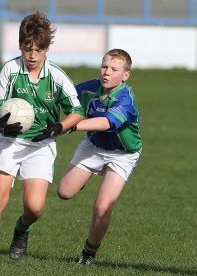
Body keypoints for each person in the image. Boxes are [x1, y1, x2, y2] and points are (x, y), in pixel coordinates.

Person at [0, 11, 84, 266]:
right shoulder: (9, 70)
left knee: (35, 208)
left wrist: (58, 127)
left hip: (41, 145)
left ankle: (21, 230)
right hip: (9, 141)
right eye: (27, 49)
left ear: (47, 49)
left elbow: (77, 112)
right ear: (20, 47)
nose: (32, 55)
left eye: (38, 49)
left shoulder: (57, 76)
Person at [57, 49, 142, 265]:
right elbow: (62, 97)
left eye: (114, 69)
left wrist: (66, 126)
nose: (107, 72)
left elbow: (106, 123)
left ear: (125, 75)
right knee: (64, 192)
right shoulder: (90, 88)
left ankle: (88, 254)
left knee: (102, 207)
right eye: (104, 66)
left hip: (122, 155)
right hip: (93, 146)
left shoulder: (126, 99)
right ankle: (83, 179)